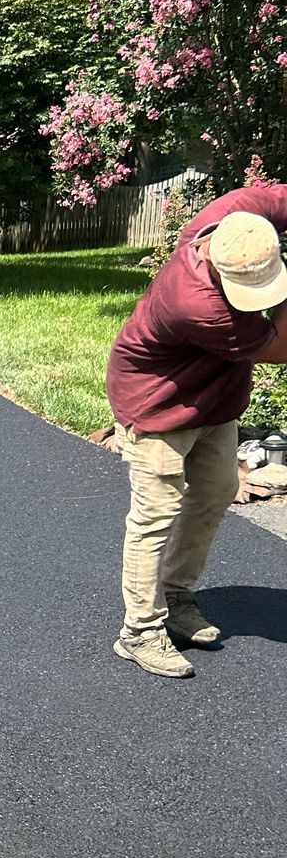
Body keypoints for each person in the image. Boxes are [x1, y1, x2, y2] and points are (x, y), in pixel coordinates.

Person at [106, 181, 287, 678]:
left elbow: (277, 197)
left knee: (216, 490)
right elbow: (277, 346)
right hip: (159, 403)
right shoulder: (196, 302)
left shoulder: (233, 220)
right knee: (156, 511)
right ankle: (139, 632)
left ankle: (177, 595)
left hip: (214, 400)